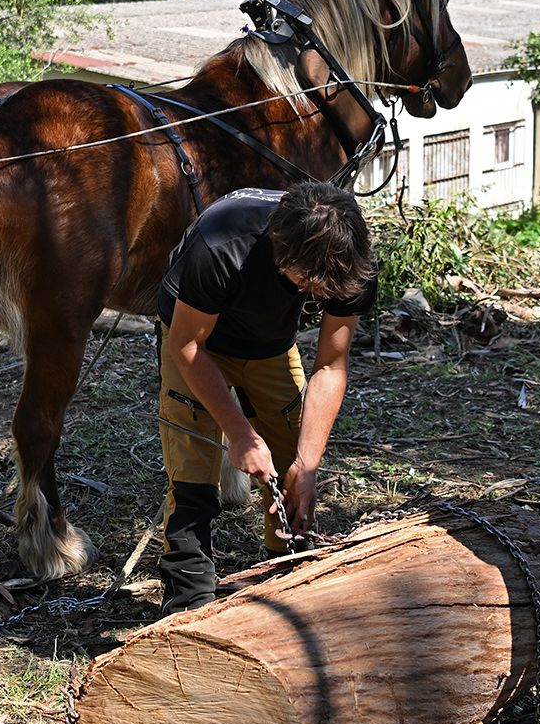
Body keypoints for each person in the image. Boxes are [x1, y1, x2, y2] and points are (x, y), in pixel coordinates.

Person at [153, 182, 376, 616]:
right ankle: (188, 604)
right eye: (308, 284)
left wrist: (308, 465)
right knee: (193, 473)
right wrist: (239, 434)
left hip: (270, 345)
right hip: (196, 339)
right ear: (280, 250)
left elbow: (330, 365)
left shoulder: (351, 260)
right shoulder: (224, 241)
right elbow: (186, 345)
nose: (316, 296)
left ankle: (289, 569)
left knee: (293, 461)